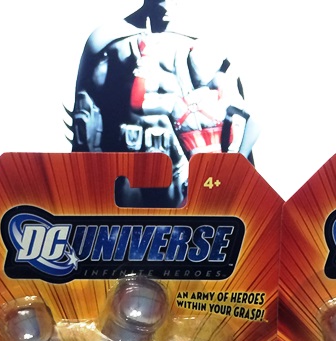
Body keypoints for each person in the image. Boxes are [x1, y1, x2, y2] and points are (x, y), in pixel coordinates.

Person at [69, 0, 256, 206]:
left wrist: (235, 175)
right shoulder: (107, 41)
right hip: (128, 174)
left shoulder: (208, 42)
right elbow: (86, 125)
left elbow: (238, 120)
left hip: (189, 177)